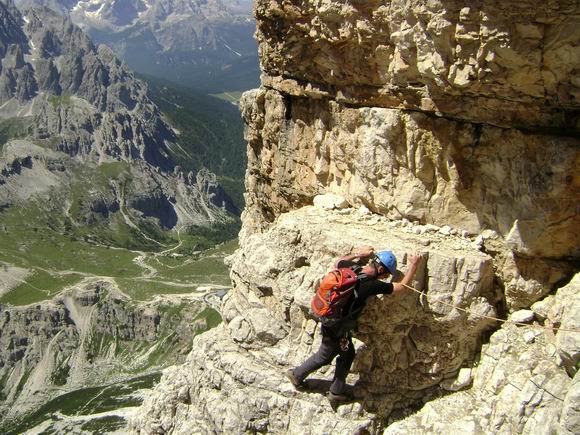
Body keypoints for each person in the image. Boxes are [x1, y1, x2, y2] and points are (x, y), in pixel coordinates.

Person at [285, 246, 423, 402]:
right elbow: (400, 288)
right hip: (339, 327)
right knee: (333, 354)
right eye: (385, 275)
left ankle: (332, 388)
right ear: (382, 271)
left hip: (329, 318)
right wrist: (414, 265)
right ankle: (304, 378)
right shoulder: (371, 284)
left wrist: (359, 254)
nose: (385, 278)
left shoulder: (352, 268)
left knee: (340, 352)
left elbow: (338, 262)